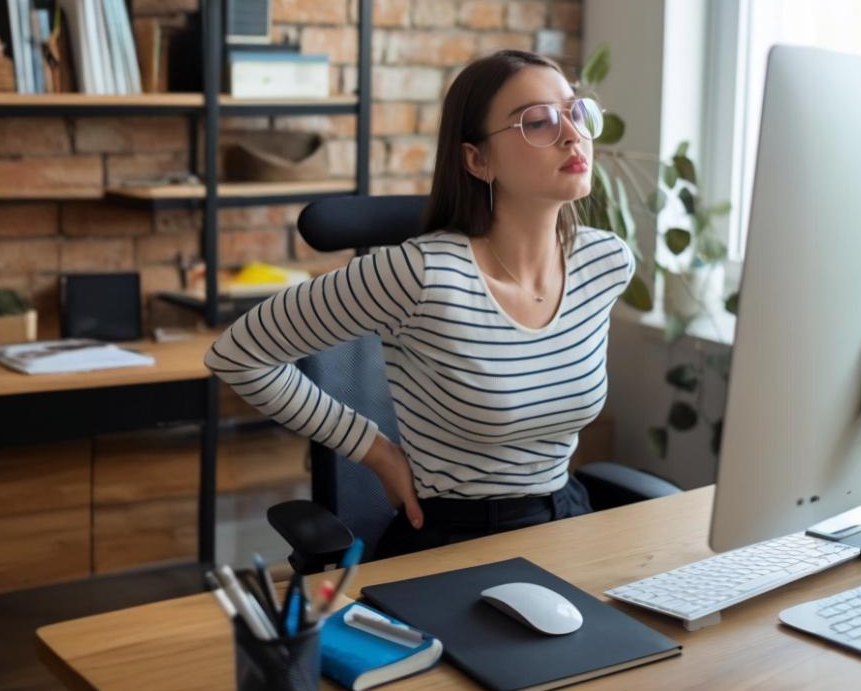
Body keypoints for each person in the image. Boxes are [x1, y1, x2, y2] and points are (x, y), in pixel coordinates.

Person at [205, 49, 634, 559]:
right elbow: (238, 353)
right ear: (478, 160)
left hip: (565, 523)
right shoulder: (422, 273)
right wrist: (378, 453)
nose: (571, 134)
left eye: (576, 111)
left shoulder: (605, 263)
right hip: (454, 539)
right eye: (536, 122)